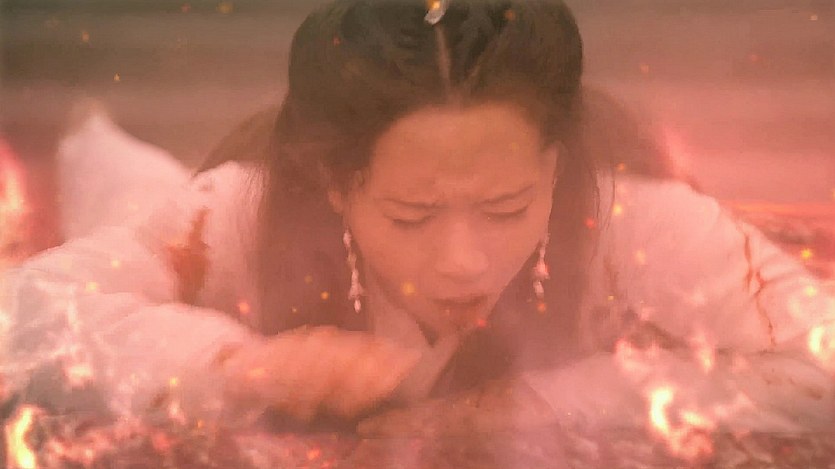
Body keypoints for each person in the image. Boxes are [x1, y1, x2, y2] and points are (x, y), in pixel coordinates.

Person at [1, 0, 833, 443]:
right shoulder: (240, 210)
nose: (463, 261)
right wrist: (236, 366)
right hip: (167, 212)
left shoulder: (635, 221)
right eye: (412, 214)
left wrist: (549, 400)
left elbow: (821, 360)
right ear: (335, 183)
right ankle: (88, 140)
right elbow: (18, 319)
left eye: (506, 208)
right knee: (126, 190)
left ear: (554, 166)